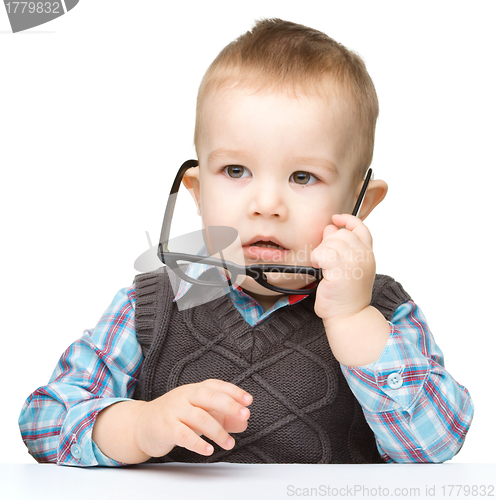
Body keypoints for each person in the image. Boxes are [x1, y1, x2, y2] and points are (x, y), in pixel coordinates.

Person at [19, 18, 473, 466]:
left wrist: (353, 319)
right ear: (196, 192)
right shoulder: (149, 307)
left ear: (360, 204)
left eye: (303, 176)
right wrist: (137, 426)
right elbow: (43, 421)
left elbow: (437, 442)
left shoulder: (384, 311)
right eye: (236, 171)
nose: (266, 204)